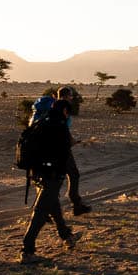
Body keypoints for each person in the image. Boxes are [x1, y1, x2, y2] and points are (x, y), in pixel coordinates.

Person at [21, 99, 79, 262]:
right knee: (40, 212)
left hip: (36, 173)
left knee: (53, 206)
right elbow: (64, 153)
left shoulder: (41, 122)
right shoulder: (59, 126)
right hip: (52, 175)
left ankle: (67, 236)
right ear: (65, 111)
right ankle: (27, 251)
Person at [56, 86, 92, 216]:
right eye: (70, 96)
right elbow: (63, 129)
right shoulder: (63, 108)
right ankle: (76, 205)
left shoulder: (52, 107)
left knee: (54, 179)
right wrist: (72, 141)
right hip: (61, 149)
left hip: (49, 149)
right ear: (66, 96)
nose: (71, 99)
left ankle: (47, 208)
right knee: (73, 175)